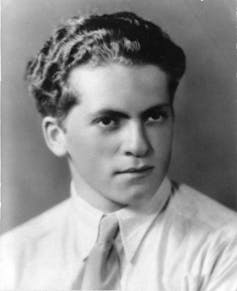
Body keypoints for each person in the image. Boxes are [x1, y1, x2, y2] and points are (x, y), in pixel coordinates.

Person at [0, 11, 236, 290]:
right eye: (108, 121)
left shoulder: (223, 247)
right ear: (56, 136)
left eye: (154, 116)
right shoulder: (13, 257)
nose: (138, 145)